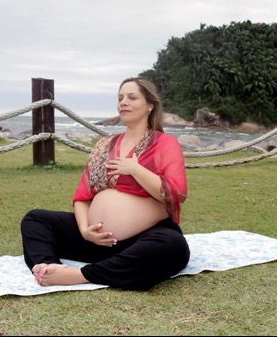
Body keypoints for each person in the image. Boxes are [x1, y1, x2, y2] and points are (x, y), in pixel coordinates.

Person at [20, 76, 190, 291]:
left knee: (172, 246)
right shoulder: (105, 145)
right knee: (36, 219)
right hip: (96, 241)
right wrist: (84, 231)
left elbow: (177, 193)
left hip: (143, 239)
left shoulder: (165, 144)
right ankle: (49, 267)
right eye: (120, 98)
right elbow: (82, 197)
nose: (123, 102)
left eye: (132, 97)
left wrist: (136, 170)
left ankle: (80, 275)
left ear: (150, 106)